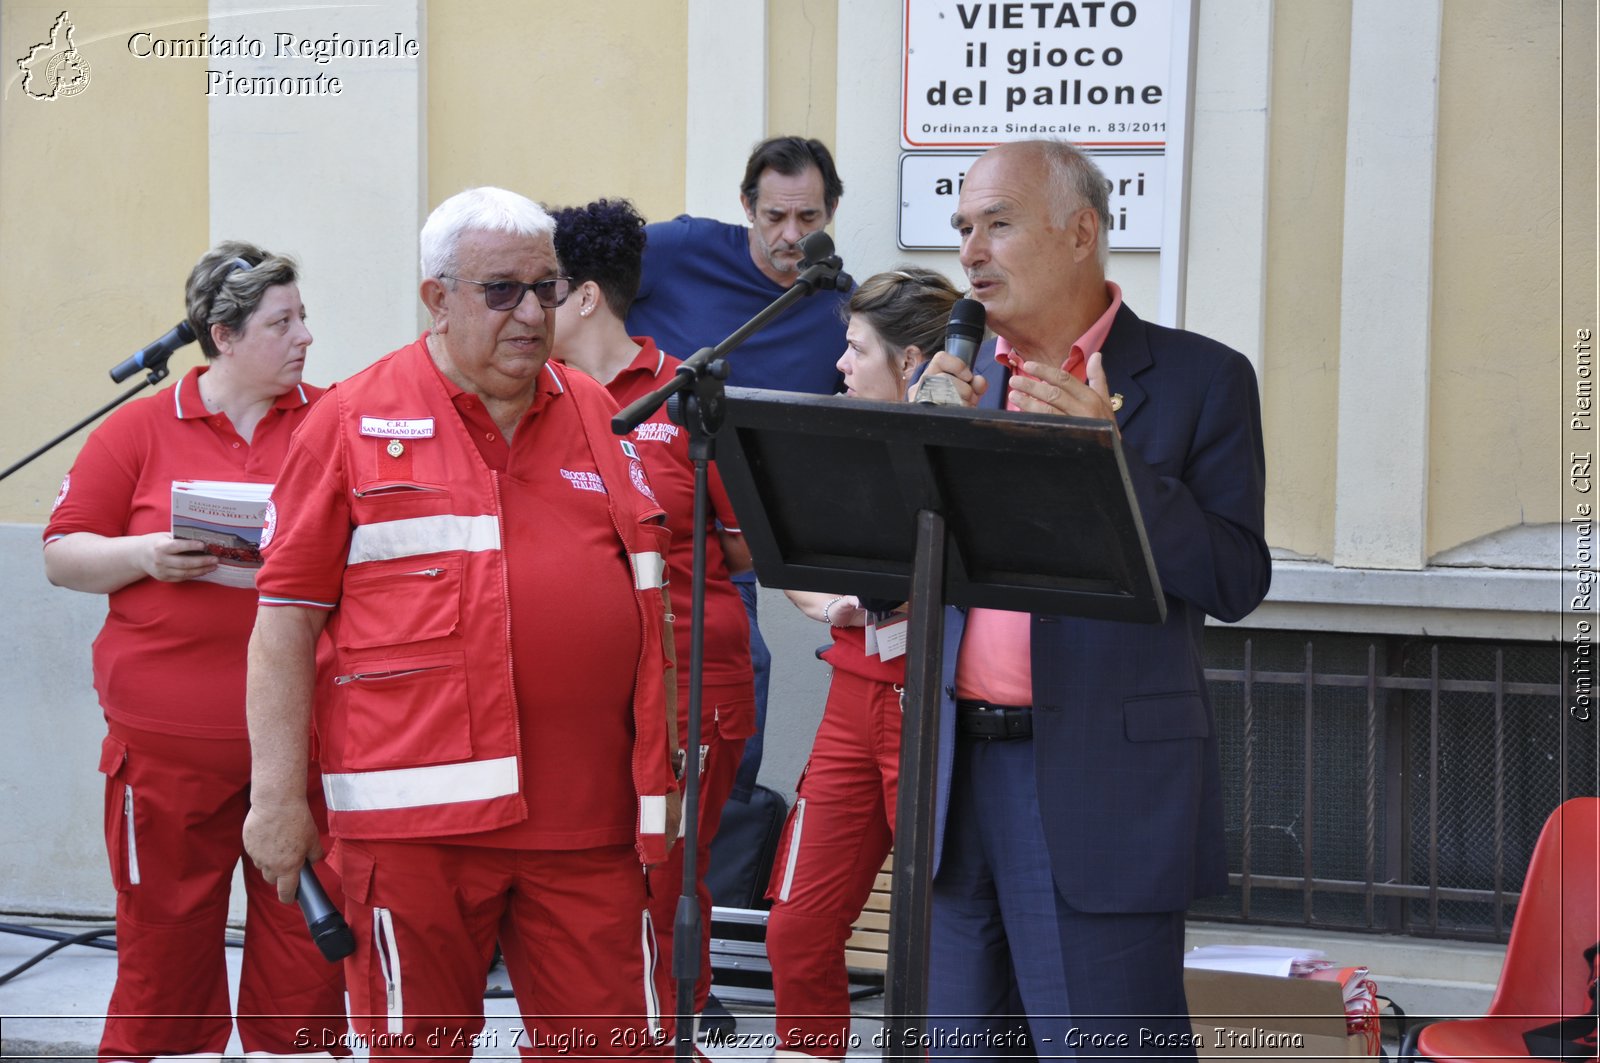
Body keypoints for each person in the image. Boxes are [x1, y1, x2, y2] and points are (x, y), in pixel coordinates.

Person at [241, 187, 681, 1058]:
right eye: (501, 291)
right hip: (415, 836)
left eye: (546, 289)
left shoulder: (594, 409)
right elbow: (284, 625)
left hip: (584, 824)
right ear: (436, 299)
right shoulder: (348, 422)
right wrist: (277, 797)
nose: (530, 313)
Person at [917, 139, 1271, 1055]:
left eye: (997, 223)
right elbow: (898, 578)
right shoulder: (957, 381)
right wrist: (905, 450)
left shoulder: (1200, 379)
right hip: (957, 783)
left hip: (1099, 787)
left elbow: (1236, 577)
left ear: (1080, 233)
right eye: (963, 228)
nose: (969, 251)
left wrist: (1113, 466)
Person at [42, 242, 346, 1062]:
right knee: (163, 952)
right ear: (224, 334)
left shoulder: (333, 422)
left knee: (306, 958)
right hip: (166, 756)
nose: (305, 336)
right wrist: (144, 554)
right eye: (283, 322)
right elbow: (61, 553)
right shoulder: (141, 427)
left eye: (302, 316)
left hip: (300, 748)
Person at [627, 139, 852, 953]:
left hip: (730, 556)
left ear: (832, 213)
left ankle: (692, 959)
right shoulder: (682, 250)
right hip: (625, 527)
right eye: (774, 217)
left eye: (809, 217)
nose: (791, 235)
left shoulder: (836, 307)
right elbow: (566, 273)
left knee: (725, 734)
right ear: (745, 208)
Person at [548, 197, 756, 1028]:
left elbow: (744, 547)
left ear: (589, 295)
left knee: (667, 871)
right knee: (586, 876)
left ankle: (676, 1026)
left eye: (542, 288)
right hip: (579, 696)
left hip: (688, 686)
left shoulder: (688, 396)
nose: (527, 308)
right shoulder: (534, 399)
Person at [762, 268, 962, 1061]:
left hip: (934, 703)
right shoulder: (842, 441)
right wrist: (832, 603)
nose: (840, 366)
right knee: (797, 923)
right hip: (853, 694)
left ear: (910, 362)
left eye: (854, 349)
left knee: (939, 930)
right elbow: (788, 557)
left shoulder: (963, 449)